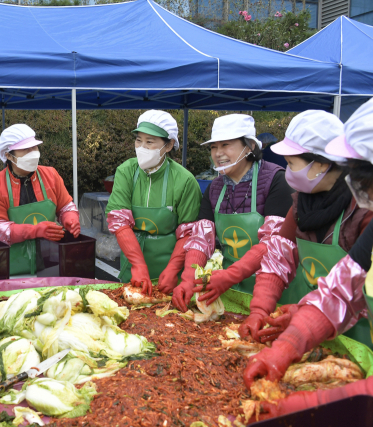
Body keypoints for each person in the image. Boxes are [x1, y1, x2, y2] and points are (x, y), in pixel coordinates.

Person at [242, 99, 373, 420]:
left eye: (364, 175)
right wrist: (286, 346)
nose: (360, 185)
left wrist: (330, 400)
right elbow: (340, 291)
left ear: (321, 163)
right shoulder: (304, 205)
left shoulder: (362, 216)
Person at [230, 111, 371, 347]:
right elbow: (277, 258)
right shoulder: (301, 203)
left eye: (292, 163)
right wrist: (259, 309)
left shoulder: (363, 210)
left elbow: (351, 287)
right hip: (299, 325)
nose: (287, 170)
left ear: (321, 164)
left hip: (355, 338)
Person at [158, 114, 294, 312]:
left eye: (226, 145)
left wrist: (230, 275)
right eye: (214, 147)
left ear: (250, 147)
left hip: (273, 294)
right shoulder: (215, 188)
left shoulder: (276, 181)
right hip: (230, 291)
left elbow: (273, 243)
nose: (218, 153)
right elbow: (201, 239)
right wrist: (189, 278)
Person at [106, 110, 202, 295]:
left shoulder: (184, 180)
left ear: (168, 145)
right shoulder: (126, 171)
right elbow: (119, 221)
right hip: (133, 267)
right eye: (138, 140)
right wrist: (138, 264)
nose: (142, 147)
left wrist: (173, 269)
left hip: (170, 270)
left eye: (149, 142)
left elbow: (188, 232)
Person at [0, 124, 80, 276]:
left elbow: (65, 206)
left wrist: (70, 218)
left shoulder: (51, 174)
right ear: (8, 155)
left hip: (51, 262)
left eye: (34, 148)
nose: (33, 153)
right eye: (26, 149)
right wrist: (35, 230)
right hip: (14, 266)